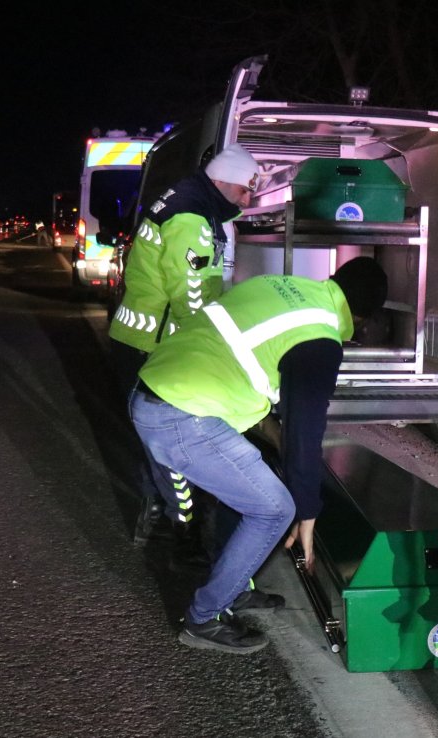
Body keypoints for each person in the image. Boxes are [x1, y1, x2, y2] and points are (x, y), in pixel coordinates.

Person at [130, 257, 388, 653]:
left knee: (254, 473)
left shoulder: (281, 287)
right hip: (181, 417)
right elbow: (305, 432)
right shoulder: (321, 338)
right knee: (273, 509)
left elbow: (249, 378)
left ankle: (233, 587)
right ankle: (204, 618)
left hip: (155, 392)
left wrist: (280, 445)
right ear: (361, 318)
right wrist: (306, 509)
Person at [108, 144, 261, 543]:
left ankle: (157, 513)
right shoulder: (191, 217)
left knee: (149, 437)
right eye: (246, 190)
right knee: (167, 439)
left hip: (137, 334)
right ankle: (180, 534)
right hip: (154, 341)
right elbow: (189, 295)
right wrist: (212, 348)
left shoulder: (186, 197)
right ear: (224, 181)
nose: (248, 199)